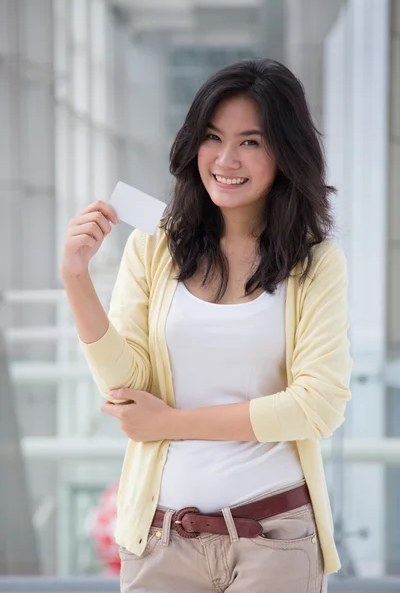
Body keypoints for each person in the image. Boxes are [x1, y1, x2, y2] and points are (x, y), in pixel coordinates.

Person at [61, 58, 352, 593]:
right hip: (161, 538)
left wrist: (171, 422)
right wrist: (77, 279)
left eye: (251, 142)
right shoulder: (152, 247)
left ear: (285, 153)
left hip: (277, 538)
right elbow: (128, 389)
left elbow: (318, 405)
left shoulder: (316, 262)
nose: (225, 159)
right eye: (213, 137)